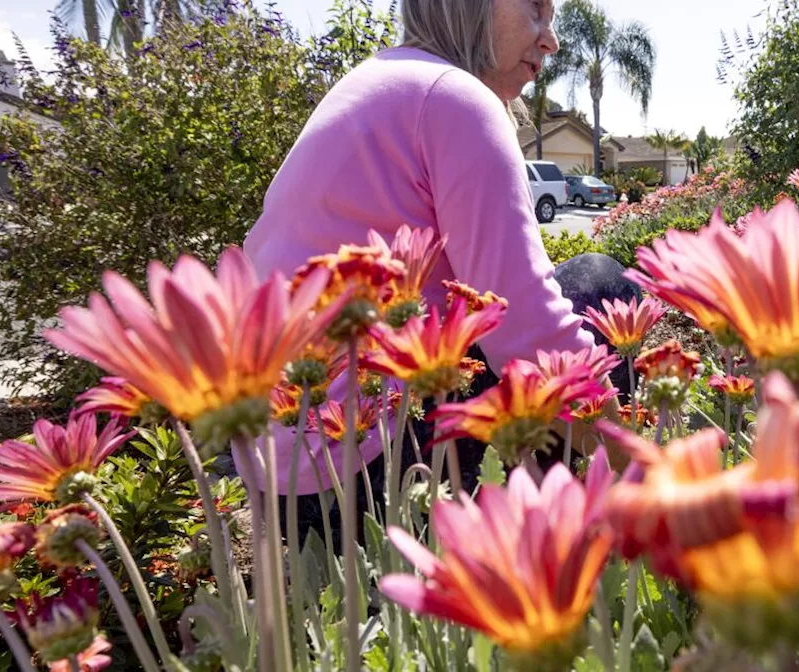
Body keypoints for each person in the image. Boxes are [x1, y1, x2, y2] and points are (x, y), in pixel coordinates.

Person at [241, 0, 637, 543]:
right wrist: (640, 463)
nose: (552, 41)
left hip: (284, 490)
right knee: (600, 284)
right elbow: (526, 326)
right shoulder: (455, 97)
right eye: (537, 11)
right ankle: (570, 538)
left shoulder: (380, 79)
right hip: (373, 477)